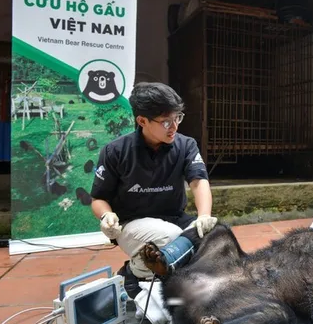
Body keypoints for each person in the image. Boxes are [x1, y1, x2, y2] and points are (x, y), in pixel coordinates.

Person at [90, 81, 218, 298]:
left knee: (217, 236)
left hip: (174, 217)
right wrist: (106, 215)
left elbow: (198, 181)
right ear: (142, 121)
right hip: (132, 223)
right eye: (166, 122)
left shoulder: (186, 145)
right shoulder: (116, 151)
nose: (175, 127)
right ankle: (135, 272)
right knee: (172, 239)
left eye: (177, 118)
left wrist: (204, 215)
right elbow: (98, 198)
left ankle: (154, 273)